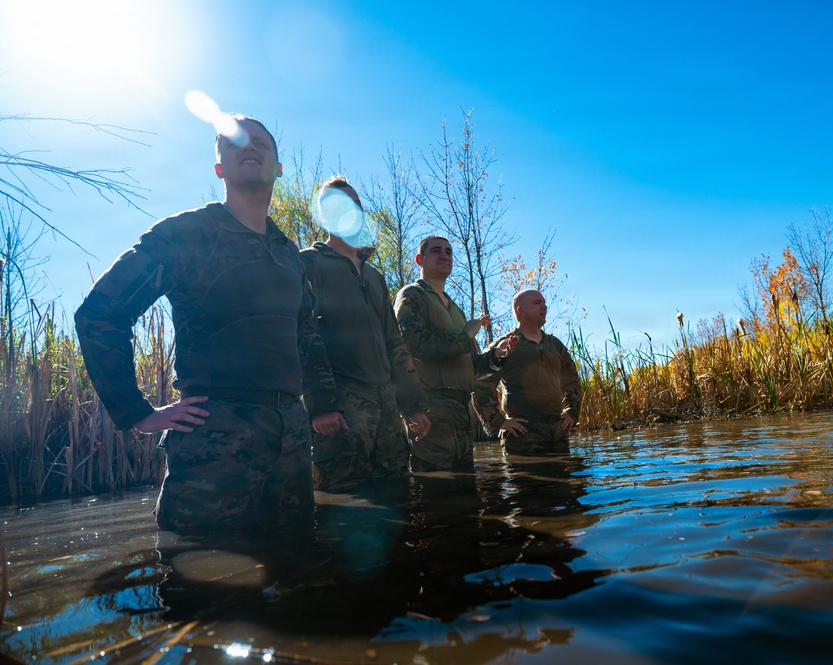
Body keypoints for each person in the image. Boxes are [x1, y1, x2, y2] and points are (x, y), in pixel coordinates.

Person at [74, 115, 342, 533]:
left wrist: (321, 407)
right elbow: (99, 314)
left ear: (278, 168)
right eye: (234, 143)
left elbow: (305, 337)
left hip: (290, 437)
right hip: (215, 439)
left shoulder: (289, 253)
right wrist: (136, 412)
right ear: (219, 169)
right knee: (200, 582)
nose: (248, 147)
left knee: (297, 569)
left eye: (259, 142)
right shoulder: (186, 234)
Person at [300, 176, 430, 491]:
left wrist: (413, 404)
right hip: (342, 406)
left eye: (356, 204)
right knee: (345, 501)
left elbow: (394, 343)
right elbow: (300, 334)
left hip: (386, 403)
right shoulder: (308, 263)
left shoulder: (374, 276)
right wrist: (321, 405)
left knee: (397, 493)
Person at [394, 236, 516, 472]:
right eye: (437, 251)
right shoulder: (412, 296)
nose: (444, 256)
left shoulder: (455, 309)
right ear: (420, 259)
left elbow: (472, 367)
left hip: (462, 411)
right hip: (432, 410)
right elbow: (414, 345)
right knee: (437, 494)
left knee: (465, 491)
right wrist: (466, 336)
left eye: (449, 252)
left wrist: (495, 358)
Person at [472, 289, 583, 455]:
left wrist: (571, 411)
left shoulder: (555, 345)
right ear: (520, 310)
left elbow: (572, 381)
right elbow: (480, 384)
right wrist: (498, 421)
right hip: (521, 435)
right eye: (537, 303)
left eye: (544, 302)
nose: (544, 307)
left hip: (557, 432)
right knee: (525, 481)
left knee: (562, 479)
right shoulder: (505, 346)